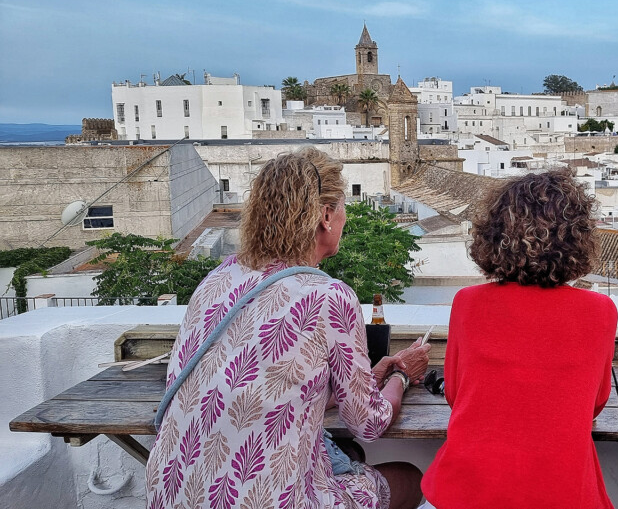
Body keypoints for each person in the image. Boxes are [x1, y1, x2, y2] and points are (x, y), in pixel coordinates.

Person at [146, 147, 430, 509]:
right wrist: (400, 378)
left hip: (170, 493)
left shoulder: (216, 280)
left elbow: (276, 389)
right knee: (409, 477)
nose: (345, 219)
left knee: (346, 454)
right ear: (326, 215)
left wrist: (370, 376)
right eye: (342, 208)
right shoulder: (328, 296)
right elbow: (369, 424)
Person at [420, 168, 618, 509]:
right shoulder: (600, 312)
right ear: (579, 237)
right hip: (561, 495)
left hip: (467, 492)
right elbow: (595, 404)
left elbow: (455, 393)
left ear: (494, 234)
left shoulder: (468, 303)